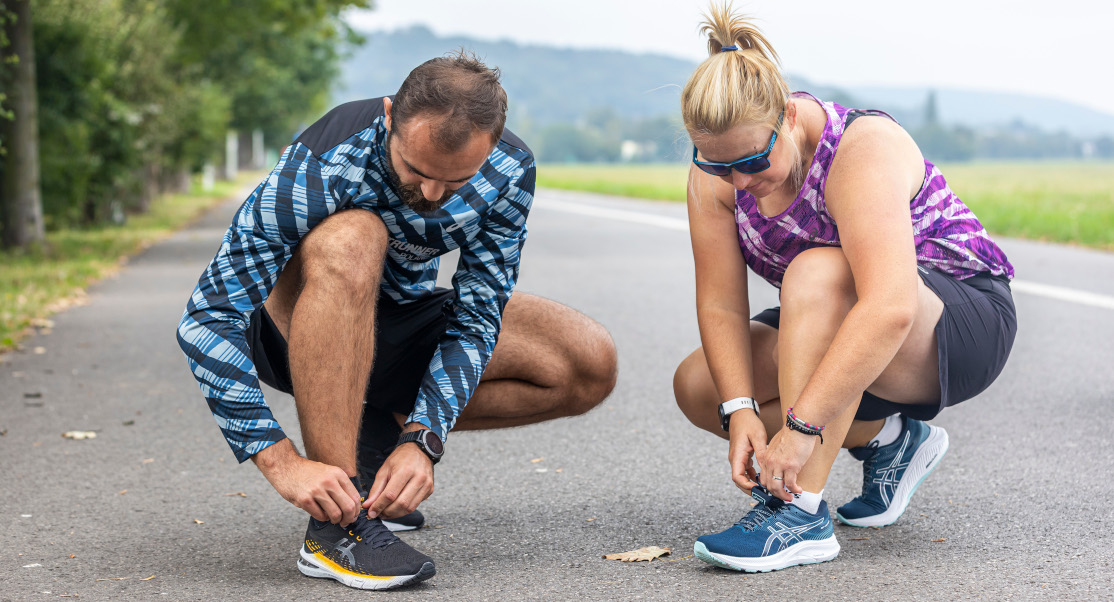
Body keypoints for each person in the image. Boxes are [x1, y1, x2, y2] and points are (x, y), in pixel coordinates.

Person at [176, 52, 618, 590]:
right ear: (390, 116)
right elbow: (208, 315)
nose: (432, 194)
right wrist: (282, 462)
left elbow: (478, 315)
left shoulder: (509, 169)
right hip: (289, 331)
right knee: (356, 235)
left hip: (397, 328)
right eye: (415, 169)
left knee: (586, 360)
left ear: (494, 142)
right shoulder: (327, 156)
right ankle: (337, 529)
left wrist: (424, 437)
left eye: (456, 181)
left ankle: (377, 431)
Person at [671, 5, 1016, 573]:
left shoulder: (859, 148)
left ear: (785, 115)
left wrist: (800, 431)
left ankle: (799, 512)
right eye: (717, 165)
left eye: (754, 161)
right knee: (701, 384)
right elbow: (720, 303)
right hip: (844, 323)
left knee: (817, 270)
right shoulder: (720, 170)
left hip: (950, 319)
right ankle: (889, 441)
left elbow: (889, 307)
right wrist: (740, 413)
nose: (739, 182)